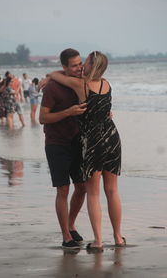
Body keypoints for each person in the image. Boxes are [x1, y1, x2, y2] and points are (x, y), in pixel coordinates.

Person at [46, 51, 125, 251]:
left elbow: (56, 76)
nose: (82, 66)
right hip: (113, 137)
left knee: (93, 193)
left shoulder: (80, 85)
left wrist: (48, 76)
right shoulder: (107, 83)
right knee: (113, 190)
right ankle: (117, 237)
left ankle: (98, 241)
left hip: (93, 141)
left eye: (85, 63)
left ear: (91, 65)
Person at [39, 48, 87, 249]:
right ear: (64, 67)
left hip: (78, 141)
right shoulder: (52, 88)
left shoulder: (84, 82)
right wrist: (68, 112)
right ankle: (66, 236)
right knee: (63, 189)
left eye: (80, 63)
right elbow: (42, 118)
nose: (79, 67)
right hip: (56, 142)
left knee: (82, 188)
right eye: (74, 65)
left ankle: (71, 223)